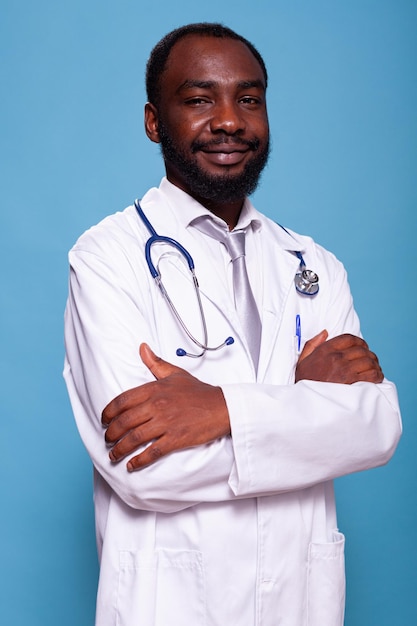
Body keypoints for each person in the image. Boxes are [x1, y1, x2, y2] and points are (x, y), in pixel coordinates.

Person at [64, 22, 401, 626]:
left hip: (301, 603)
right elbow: (146, 467)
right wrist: (306, 412)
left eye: (249, 99)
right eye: (199, 99)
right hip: (169, 607)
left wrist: (219, 411)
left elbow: (376, 428)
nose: (229, 121)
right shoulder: (105, 257)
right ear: (152, 121)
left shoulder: (314, 265)